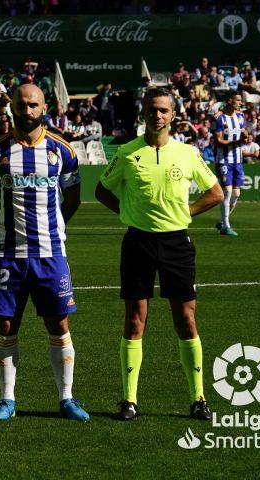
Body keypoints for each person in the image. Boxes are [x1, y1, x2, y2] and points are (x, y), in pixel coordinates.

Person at [95, 87, 222, 421]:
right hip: (138, 243)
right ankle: (128, 400)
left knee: (186, 320)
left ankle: (199, 398)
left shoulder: (187, 153)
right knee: (135, 321)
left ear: (173, 115)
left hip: (177, 243)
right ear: (143, 113)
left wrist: (186, 213)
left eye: (163, 110)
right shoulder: (126, 153)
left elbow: (215, 193)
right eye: (152, 110)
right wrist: (127, 213)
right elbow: (101, 190)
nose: (157, 115)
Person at [0, 84, 90, 422]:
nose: (27, 111)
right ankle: (6, 399)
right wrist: (0, 226)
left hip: (52, 254)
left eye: (33, 105)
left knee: (59, 322)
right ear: (12, 107)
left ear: (44, 107)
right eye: (21, 105)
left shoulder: (62, 151)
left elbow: (73, 198)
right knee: (7, 324)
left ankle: (66, 398)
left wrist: (56, 230)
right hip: (8, 254)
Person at [213, 93, 246, 236]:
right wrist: (235, 143)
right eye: (238, 100)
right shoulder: (218, 117)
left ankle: (221, 221)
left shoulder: (241, 117)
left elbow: (243, 133)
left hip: (237, 160)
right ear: (230, 101)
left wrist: (246, 136)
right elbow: (218, 141)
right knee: (226, 191)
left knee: (236, 194)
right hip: (224, 159)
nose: (240, 103)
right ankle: (226, 225)